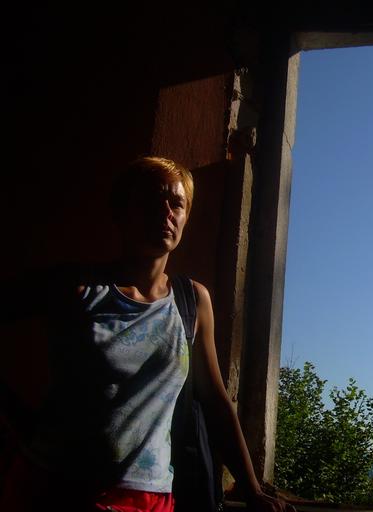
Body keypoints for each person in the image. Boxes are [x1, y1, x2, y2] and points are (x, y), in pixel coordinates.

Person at [0, 157, 294, 512]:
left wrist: (252, 490)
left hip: (149, 497)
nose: (166, 213)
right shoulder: (78, 289)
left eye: (177, 204)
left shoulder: (192, 300)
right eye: (152, 201)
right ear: (121, 212)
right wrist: (19, 420)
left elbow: (215, 400)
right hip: (55, 488)